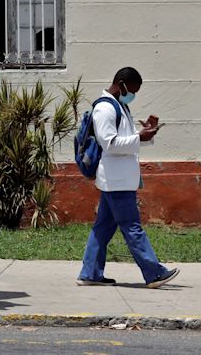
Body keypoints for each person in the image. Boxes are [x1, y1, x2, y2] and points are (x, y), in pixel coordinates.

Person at [77, 67, 180, 289]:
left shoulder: (120, 106)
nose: (134, 94)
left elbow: (127, 141)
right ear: (121, 84)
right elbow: (110, 144)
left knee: (102, 228)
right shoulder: (105, 108)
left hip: (119, 178)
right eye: (133, 89)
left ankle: (90, 273)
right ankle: (154, 273)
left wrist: (147, 134)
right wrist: (138, 137)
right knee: (132, 228)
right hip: (116, 181)